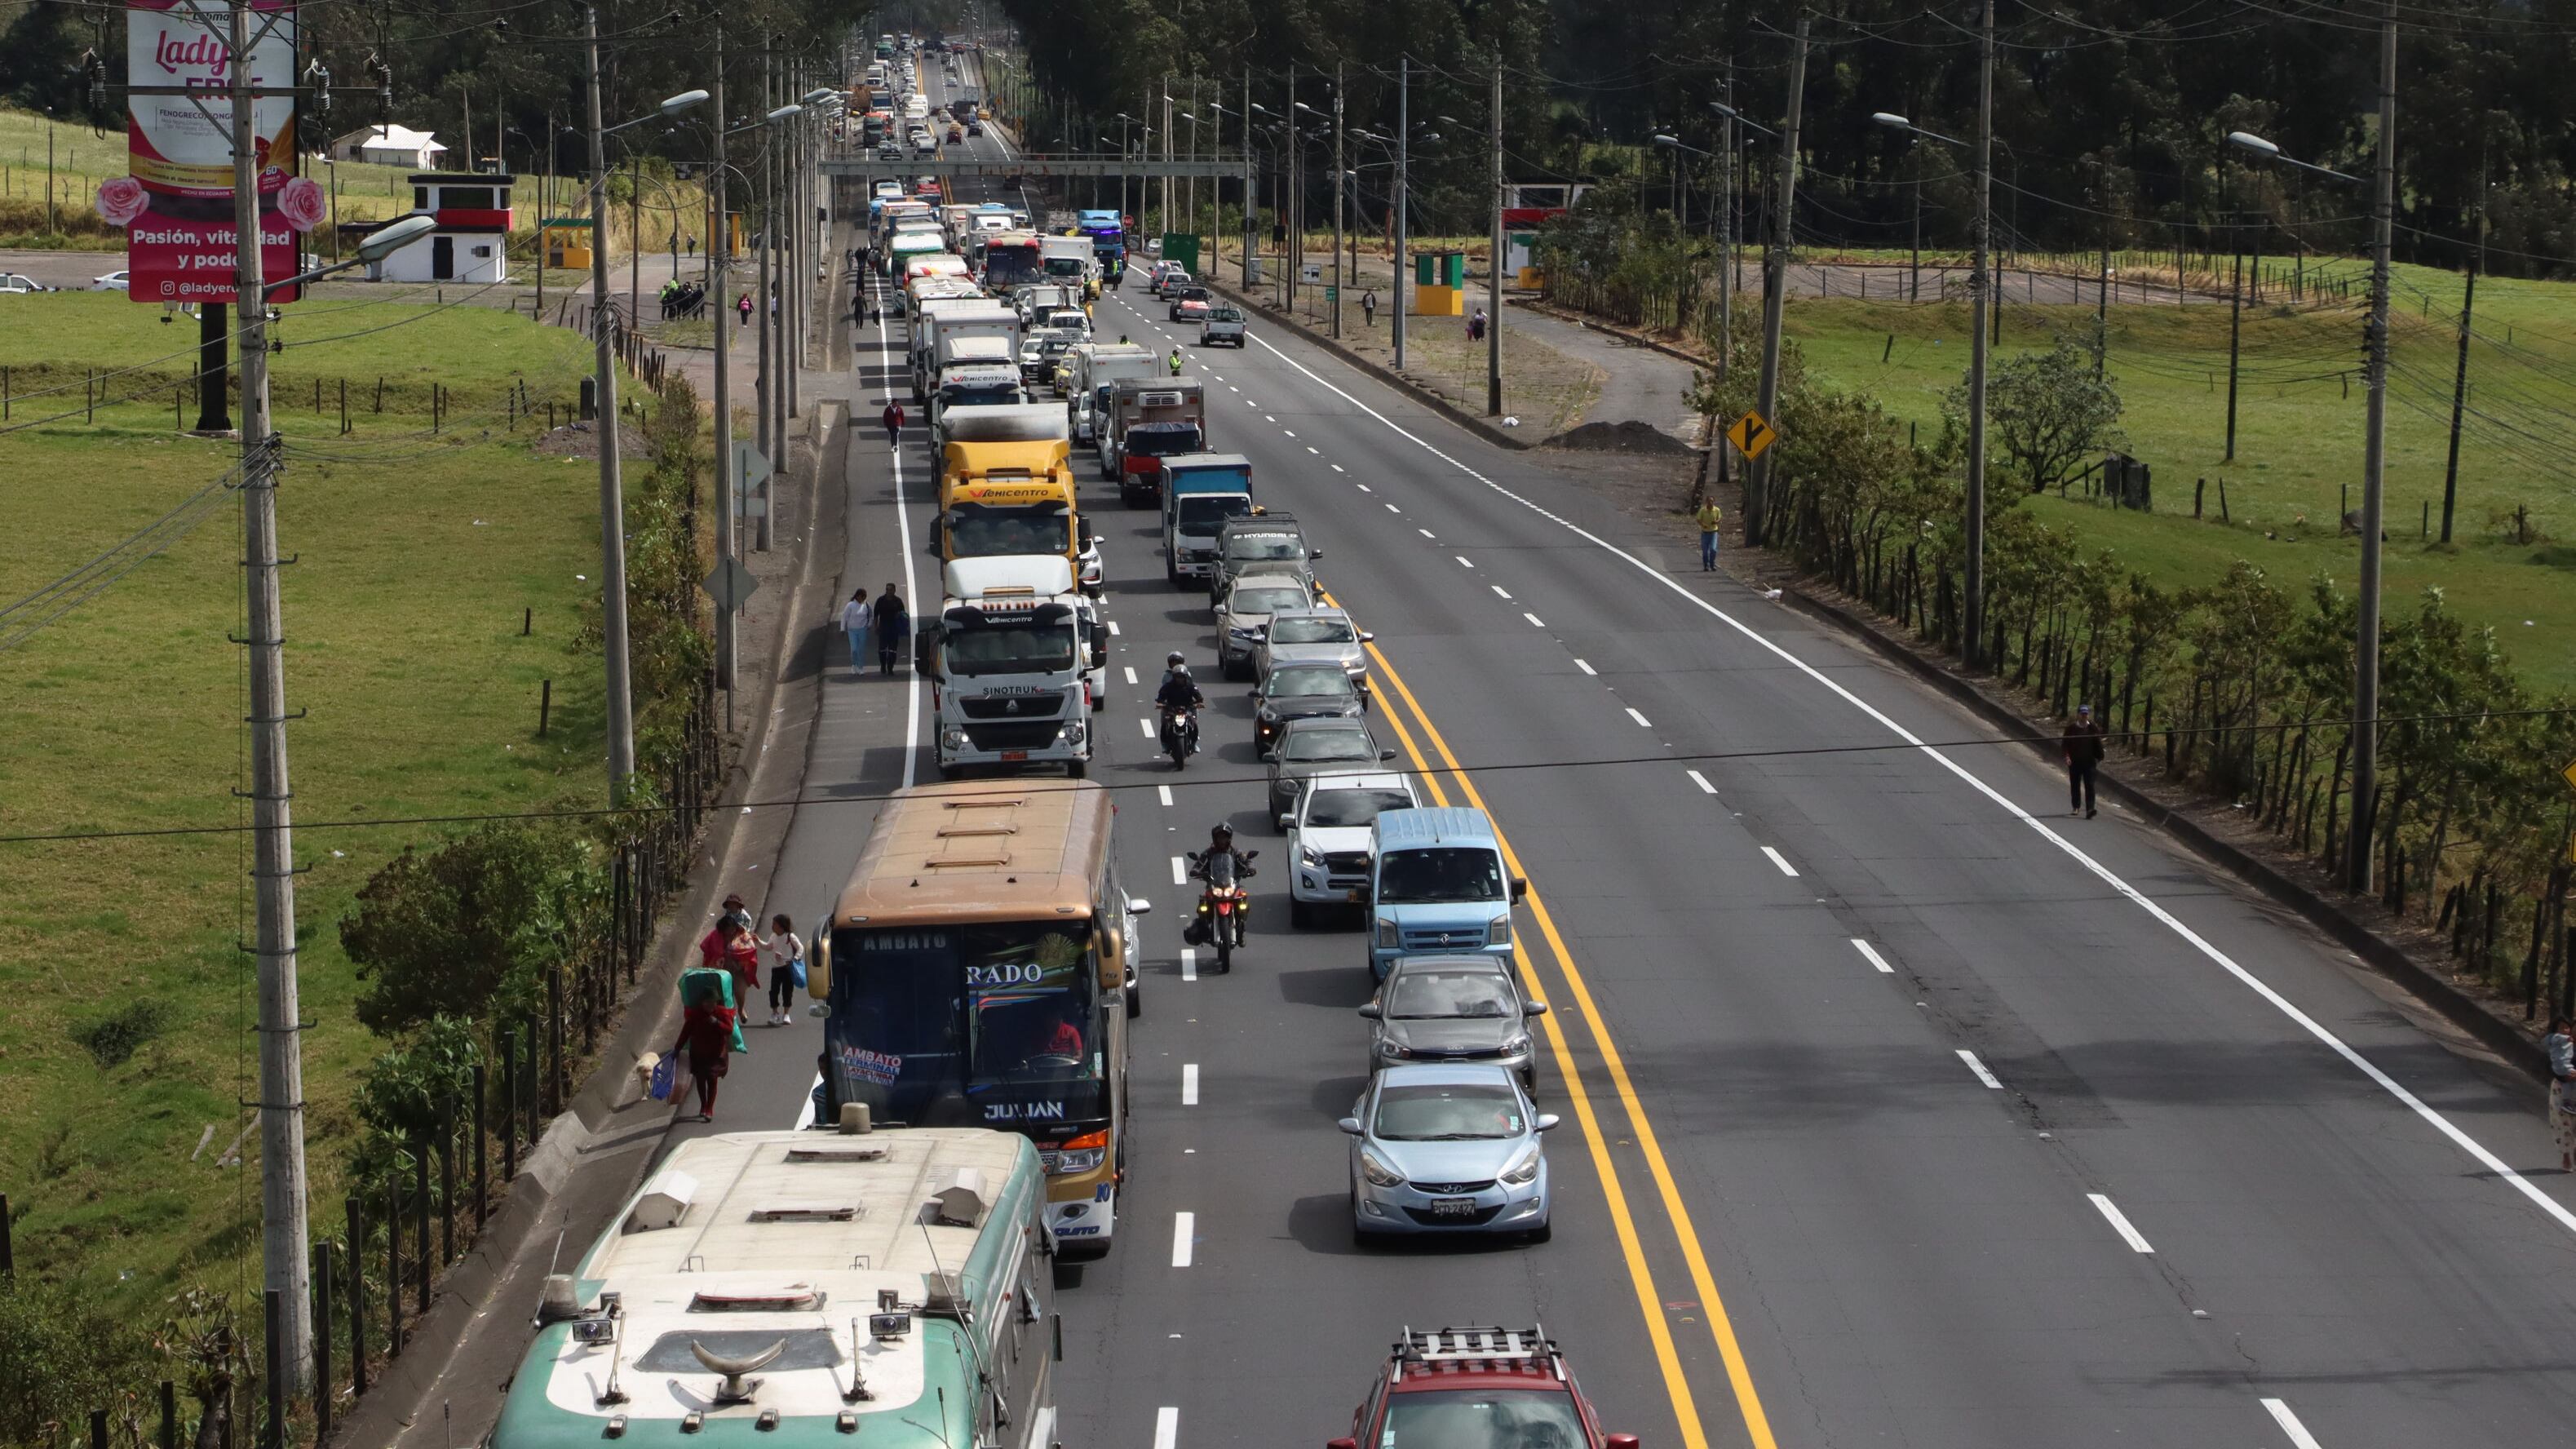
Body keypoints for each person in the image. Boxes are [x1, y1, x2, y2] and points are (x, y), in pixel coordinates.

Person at [670, 985, 737, 1122]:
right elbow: (685, 1032)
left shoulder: (722, 1013)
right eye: (707, 1003)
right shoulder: (695, 1015)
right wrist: (677, 1049)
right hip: (699, 1053)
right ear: (702, 1003)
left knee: (712, 1079)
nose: (710, 1005)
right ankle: (703, 1105)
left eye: (713, 1002)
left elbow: (729, 1030)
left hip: (716, 1053)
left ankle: (709, 1109)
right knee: (700, 1080)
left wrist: (717, 1023)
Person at [759, 914, 805, 1027]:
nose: (773, 926)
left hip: (788, 968)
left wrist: (794, 959)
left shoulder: (790, 936)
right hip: (776, 968)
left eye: (774, 924)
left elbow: (801, 948)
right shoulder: (773, 936)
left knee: (787, 991)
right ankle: (775, 1013)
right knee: (773, 991)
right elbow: (768, 947)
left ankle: (786, 1014)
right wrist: (759, 941)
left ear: (781, 926)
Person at [2062, 704, 2106, 819]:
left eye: (2086, 714)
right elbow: (2065, 744)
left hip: (2089, 762)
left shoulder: (2092, 728)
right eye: (2082, 714)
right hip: (2075, 762)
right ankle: (2076, 807)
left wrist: (2099, 757)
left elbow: (2098, 743)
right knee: (2075, 784)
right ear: (2078, 714)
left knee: (2090, 785)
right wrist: (2067, 757)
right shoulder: (2071, 729)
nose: (2084, 716)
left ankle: (2090, 809)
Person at [1155, 657, 1205, 755]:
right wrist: (1160, 703)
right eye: (1177, 677)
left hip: (1187, 709)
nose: (1180, 679)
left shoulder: (1190, 686)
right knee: (1165, 724)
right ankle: (1165, 744)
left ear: (1185, 677)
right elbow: (1161, 696)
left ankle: (1194, 743)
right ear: (1174, 677)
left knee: (1194, 724)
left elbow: (1198, 696)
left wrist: (1199, 703)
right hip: (1171, 709)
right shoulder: (1168, 686)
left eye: (1181, 677)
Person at [2549, 1017, 2576, 1172]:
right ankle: (2566, 1154)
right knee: (2562, 1122)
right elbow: (2554, 1064)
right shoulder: (2562, 1045)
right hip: (2561, 1088)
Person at [871, 583, 909, 675]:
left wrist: (903, 628)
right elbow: (876, 615)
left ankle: (890, 667)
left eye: (891, 589)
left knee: (893, 650)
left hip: (894, 628)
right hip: (883, 627)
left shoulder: (898, 601)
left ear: (894, 590)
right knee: (882, 650)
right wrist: (875, 626)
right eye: (887, 589)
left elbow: (903, 615)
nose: (889, 591)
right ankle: (883, 665)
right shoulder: (880, 600)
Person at [840, 587, 872, 674]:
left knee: (861, 649)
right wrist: (842, 629)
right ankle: (854, 664)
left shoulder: (866, 605)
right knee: (854, 649)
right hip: (852, 631)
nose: (863, 599)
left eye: (864, 597)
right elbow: (844, 617)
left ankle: (860, 667)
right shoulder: (850, 605)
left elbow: (870, 616)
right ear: (857, 596)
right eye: (862, 597)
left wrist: (869, 625)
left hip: (862, 630)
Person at [1694, 499, 1724, 572]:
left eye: (1712, 501)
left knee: (1713, 549)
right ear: (1706, 502)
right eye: (1709, 501)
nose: (1710, 503)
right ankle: (1706, 565)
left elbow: (1720, 518)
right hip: (1705, 533)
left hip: (1713, 532)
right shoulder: (1703, 510)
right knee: (1705, 551)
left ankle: (1712, 564)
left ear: (1714, 502)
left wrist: (1716, 522)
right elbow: (1698, 519)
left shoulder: (1716, 510)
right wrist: (1703, 525)